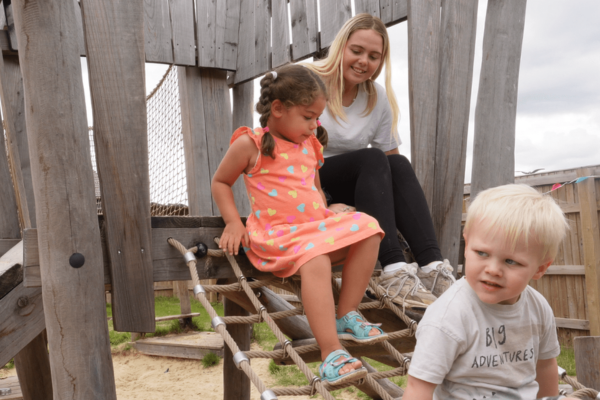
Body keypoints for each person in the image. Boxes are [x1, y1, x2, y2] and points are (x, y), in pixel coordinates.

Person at [211, 64, 388, 385]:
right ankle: (331, 354)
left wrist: (327, 212)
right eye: (308, 117)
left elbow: (314, 188)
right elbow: (221, 182)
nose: (314, 124)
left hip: (312, 231)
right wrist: (233, 222)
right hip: (276, 236)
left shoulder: (311, 145)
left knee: (370, 228)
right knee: (316, 257)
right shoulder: (250, 144)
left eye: (317, 118)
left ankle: (346, 314)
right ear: (278, 109)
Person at [304, 13, 454, 306]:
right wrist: (320, 202)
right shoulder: (310, 82)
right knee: (372, 158)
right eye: (357, 51)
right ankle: (394, 270)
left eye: (374, 56)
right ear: (341, 47)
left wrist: (396, 213)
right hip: (308, 183)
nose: (364, 61)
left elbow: (391, 163)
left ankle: (433, 267)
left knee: (397, 163)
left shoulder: (376, 96)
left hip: (357, 184)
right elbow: (283, 150)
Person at [403, 184, 570, 400]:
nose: (492, 270)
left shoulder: (537, 308)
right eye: (482, 253)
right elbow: (418, 389)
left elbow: (546, 366)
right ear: (467, 243)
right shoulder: (448, 317)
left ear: (539, 269)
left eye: (511, 261)